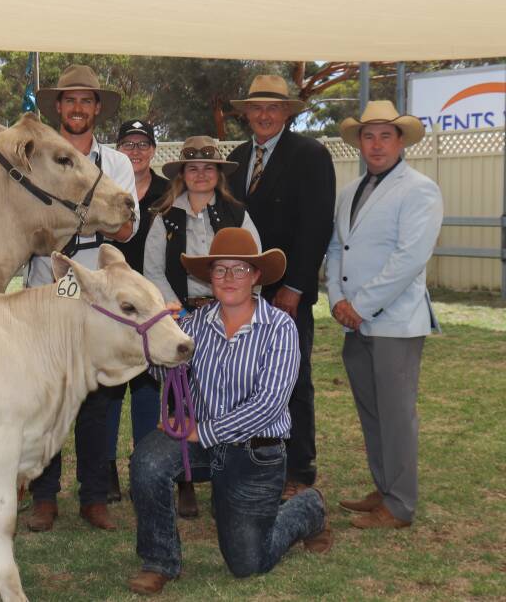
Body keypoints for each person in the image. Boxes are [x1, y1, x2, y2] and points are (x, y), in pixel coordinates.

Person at [127, 227, 332, 595]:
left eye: (239, 269)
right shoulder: (194, 326)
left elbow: (269, 405)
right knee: (147, 461)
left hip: (254, 451)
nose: (229, 278)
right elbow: (163, 372)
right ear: (209, 277)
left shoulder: (280, 329)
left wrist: (199, 432)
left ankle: (308, 508)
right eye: (220, 270)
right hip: (203, 441)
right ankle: (159, 560)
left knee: (247, 563)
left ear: (256, 276)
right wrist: (160, 338)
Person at [24, 64, 139, 533]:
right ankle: (44, 497)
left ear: (97, 109)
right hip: (51, 284)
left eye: (85, 100)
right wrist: (93, 216)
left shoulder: (117, 165)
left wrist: (73, 218)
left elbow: (127, 228)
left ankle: (94, 497)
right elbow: (30, 230)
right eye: (69, 100)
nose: (77, 108)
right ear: (58, 108)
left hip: (100, 289)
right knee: (48, 395)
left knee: (100, 396)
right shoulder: (38, 160)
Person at [326, 101, 442, 530]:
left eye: (385, 136)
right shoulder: (350, 191)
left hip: (393, 322)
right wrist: (338, 299)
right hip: (354, 321)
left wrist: (360, 305)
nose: (376, 145)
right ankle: (384, 487)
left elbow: (409, 258)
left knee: (396, 415)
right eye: (368, 136)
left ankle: (400, 505)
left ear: (400, 142)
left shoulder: (420, 190)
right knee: (372, 412)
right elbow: (338, 248)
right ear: (360, 143)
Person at [226, 74, 335, 501]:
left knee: (293, 376)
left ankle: (299, 469)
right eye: (258, 107)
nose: (265, 114)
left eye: (274, 107)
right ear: (247, 114)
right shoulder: (235, 159)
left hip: (286, 294)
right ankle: (254, 460)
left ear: (287, 113)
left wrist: (294, 286)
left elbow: (317, 227)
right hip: (242, 292)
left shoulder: (310, 155)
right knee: (246, 376)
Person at [143, 135, 260, 518]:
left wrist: (237, 301)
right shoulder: (165, 217)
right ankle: (186, 480)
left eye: (208, 167)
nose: (200, 174)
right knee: (183, 396)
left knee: (228, 391)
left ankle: (231, 473)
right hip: (184, 317)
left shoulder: (236, 213)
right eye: (192, 168)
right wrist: (171, 306)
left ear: (218, 174)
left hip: (226, 312)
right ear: (182, 174)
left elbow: (253, 259)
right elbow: (153, 271)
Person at [92, 119, 169, 507]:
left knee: (148, 389)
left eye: (142, 144)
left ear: (153, 150)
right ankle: (104, 469)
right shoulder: (107, 188)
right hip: (113, 304)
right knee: (108, 388)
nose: (135, 151)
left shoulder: (167, 193)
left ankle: (145, 464)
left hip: (152, 303)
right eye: (127, 144)